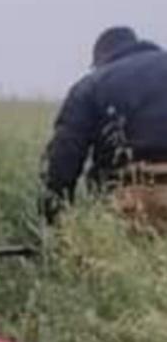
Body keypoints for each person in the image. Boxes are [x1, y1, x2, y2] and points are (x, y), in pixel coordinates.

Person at [42, 26, 167, 227]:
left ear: (101, 58)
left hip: (131, 196)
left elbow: (62, 158)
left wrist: (54, 225)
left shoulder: (92, 84)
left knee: (127, 257)